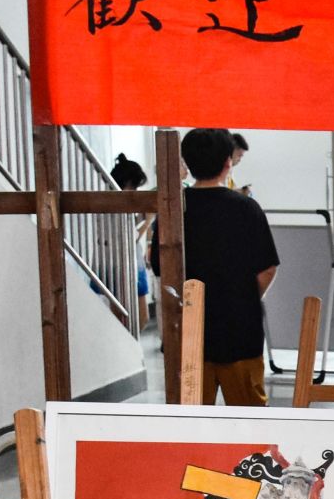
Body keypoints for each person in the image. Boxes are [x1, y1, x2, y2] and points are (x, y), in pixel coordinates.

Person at [151, 127, 279, 407]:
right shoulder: (246, 208)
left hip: (188, 334)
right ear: (227, 162)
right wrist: (243, 298)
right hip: (240, 331)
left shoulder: (173, 211)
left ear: (187, 163)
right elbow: (267, 268)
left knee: (193, 422)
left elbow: (161, 268)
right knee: (249, 420)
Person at [111, 153, 153, 329]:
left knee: (135, 317)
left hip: (128, 263)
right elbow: (129, 237)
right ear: (127, 183)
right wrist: (148, 222)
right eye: (134, 186)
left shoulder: (113, 201)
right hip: (121, 264)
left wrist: (142, 218)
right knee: (136, 317)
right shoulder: (113, 203)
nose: (136, 191)